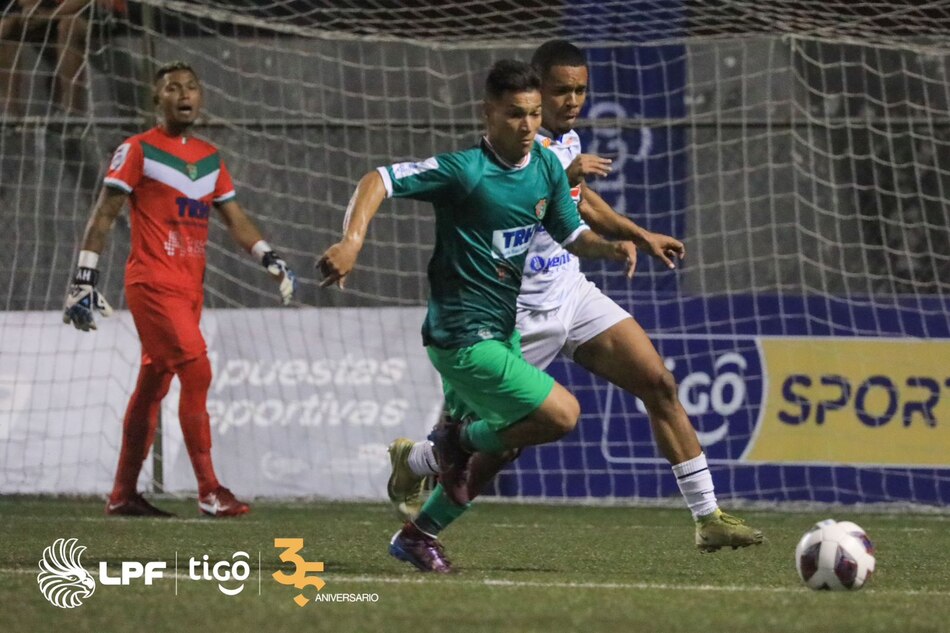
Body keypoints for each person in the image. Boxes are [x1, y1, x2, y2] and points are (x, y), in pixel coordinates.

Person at [386, 40, 763, 555]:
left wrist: (638, 233)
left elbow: (578, 204)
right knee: (503, 442)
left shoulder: (565, 139)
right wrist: (566, 173)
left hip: (571, 290)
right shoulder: (515, 142)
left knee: (658, 383)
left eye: (580, 90)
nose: (573, 100)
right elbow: (534, 195)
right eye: (561, 90)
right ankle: (419, 504)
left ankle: (708, 516)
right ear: (535, 88)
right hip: (515, 310)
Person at [319, 59, 637, 573]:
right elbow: (378, 178)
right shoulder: (465, 171)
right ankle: (447, 443)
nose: (529, 126)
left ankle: (418, 534)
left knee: (502, 448)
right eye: (515, 115)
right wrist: (352, 241)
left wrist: (610, 246)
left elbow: (571, 233)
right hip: (460, 336)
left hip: (502, 329)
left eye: (535, 114)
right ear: (488, 113)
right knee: (561, 415)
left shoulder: (547, 168)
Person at [63, 60, 297, 518]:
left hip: (191, 288)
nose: (184, 94)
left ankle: (123, 494)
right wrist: (83, 276)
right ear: (158, 100)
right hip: (151, 285)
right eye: (173, 88)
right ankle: (209, 490)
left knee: (152, 385)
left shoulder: (211, 158)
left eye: (191, 87)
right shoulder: (136, 150)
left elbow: (235, 218)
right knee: (198, 371)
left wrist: (268, 256)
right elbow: (104, 215)